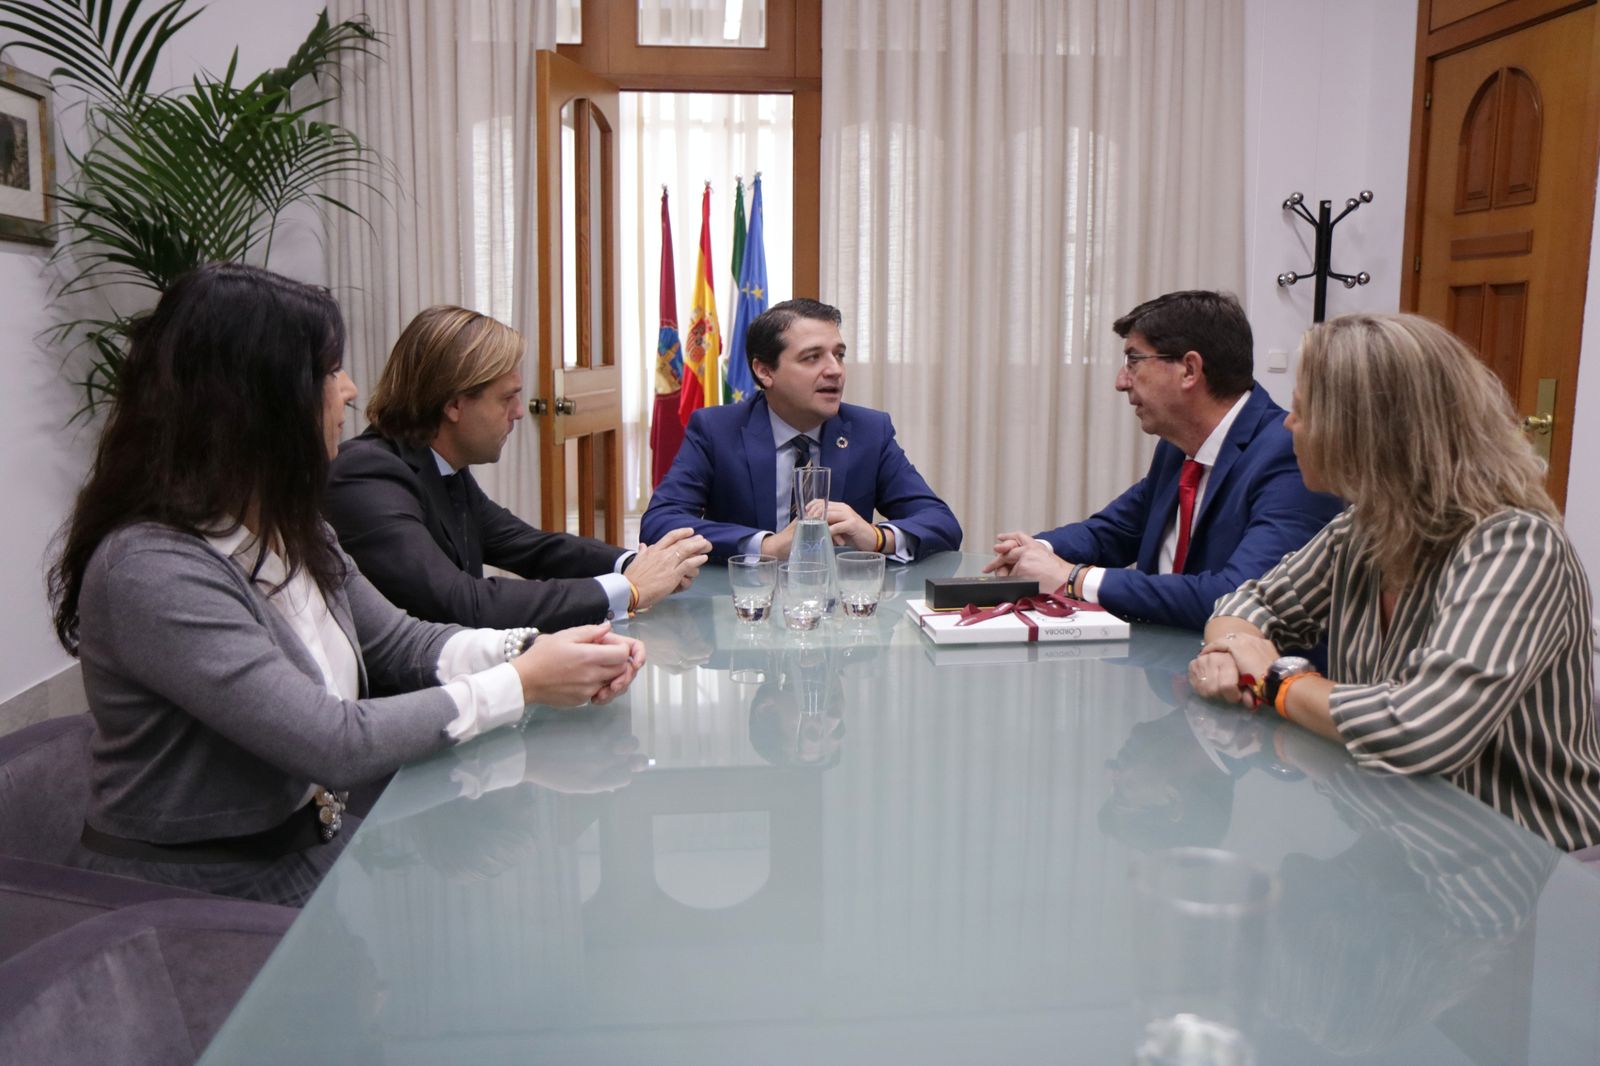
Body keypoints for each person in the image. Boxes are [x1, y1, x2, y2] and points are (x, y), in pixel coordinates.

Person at [47, 264, 645, 905]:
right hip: (189, 903)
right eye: (330, 372)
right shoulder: (152, 569)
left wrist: (530, 650)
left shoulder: (290, 526)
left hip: (307, 853)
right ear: (258, 402)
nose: (351, 390)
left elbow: (401, 643)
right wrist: (523, 683)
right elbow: (332, 742)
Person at [1189, 312, 1600, 851]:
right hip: (1404, 833)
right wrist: (1231, 648)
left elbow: (1422, 728)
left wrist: (1278, 681)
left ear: (1367, 431)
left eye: (1304, 410)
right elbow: (1249, 601)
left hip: (1529, 861)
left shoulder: (1517, 545)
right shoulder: (1362, 528)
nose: (1288, 425)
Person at [327, 306, 710, 631]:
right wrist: (629, 589)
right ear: (453, 404)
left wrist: (634, 564)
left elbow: (531, 547)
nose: (518, 413)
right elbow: (461, 602)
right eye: (507, 398)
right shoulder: (367, 474)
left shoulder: (439, 465)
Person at [985, 290, 1341, 631]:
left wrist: (1074, 579)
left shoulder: (1290, 455)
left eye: (1133, 360)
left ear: (1189, 369)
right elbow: (1115, 530)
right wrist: (1036, 552)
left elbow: (1238, 596)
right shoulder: (1177, 446)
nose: (1121, 382)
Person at [641, 298, 961, 561]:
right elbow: (660, 523)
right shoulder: (716, 430)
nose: (835, 370)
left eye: (838, 355)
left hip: (839, 607)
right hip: (745, 604)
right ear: (765, 371)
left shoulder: (869, 431)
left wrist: (877, 537)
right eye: (812, 358)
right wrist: (765, 547)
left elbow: (941, 523)